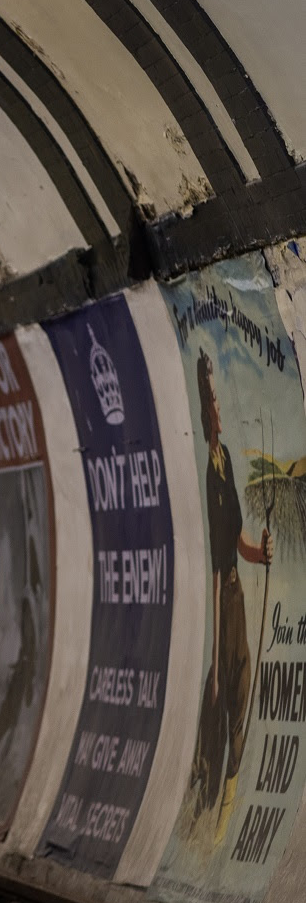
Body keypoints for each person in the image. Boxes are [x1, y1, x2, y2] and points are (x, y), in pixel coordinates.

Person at [188, 349, 272, 845]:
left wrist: (259, 556)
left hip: (238, 595)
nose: (219, 407)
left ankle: (228, 790)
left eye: (219, 399)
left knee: (240, 690)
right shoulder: (209, 474)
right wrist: (215, 661)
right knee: (222, 689)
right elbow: (218, 563)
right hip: (225, 599)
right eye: (214, 401)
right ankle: (210, 785)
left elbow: (237, 541)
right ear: (206, 413)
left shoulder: (227, 466)